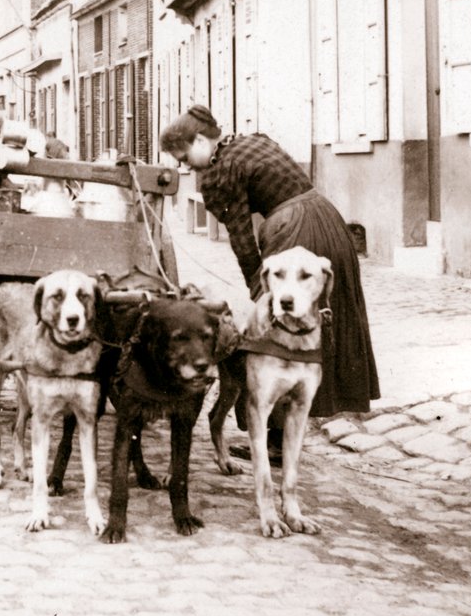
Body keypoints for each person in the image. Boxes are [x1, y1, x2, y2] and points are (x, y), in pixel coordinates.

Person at [160, 104, 379, 457]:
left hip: (293, 230)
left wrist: (259, 289)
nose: (186, 167)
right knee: (323, 316)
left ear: (201, 140)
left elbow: (243, 239)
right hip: (326, 218)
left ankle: (276, 440)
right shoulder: (251, 142)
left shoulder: (218, 173)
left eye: (184, 157)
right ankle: (301, 417)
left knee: (277, 331)